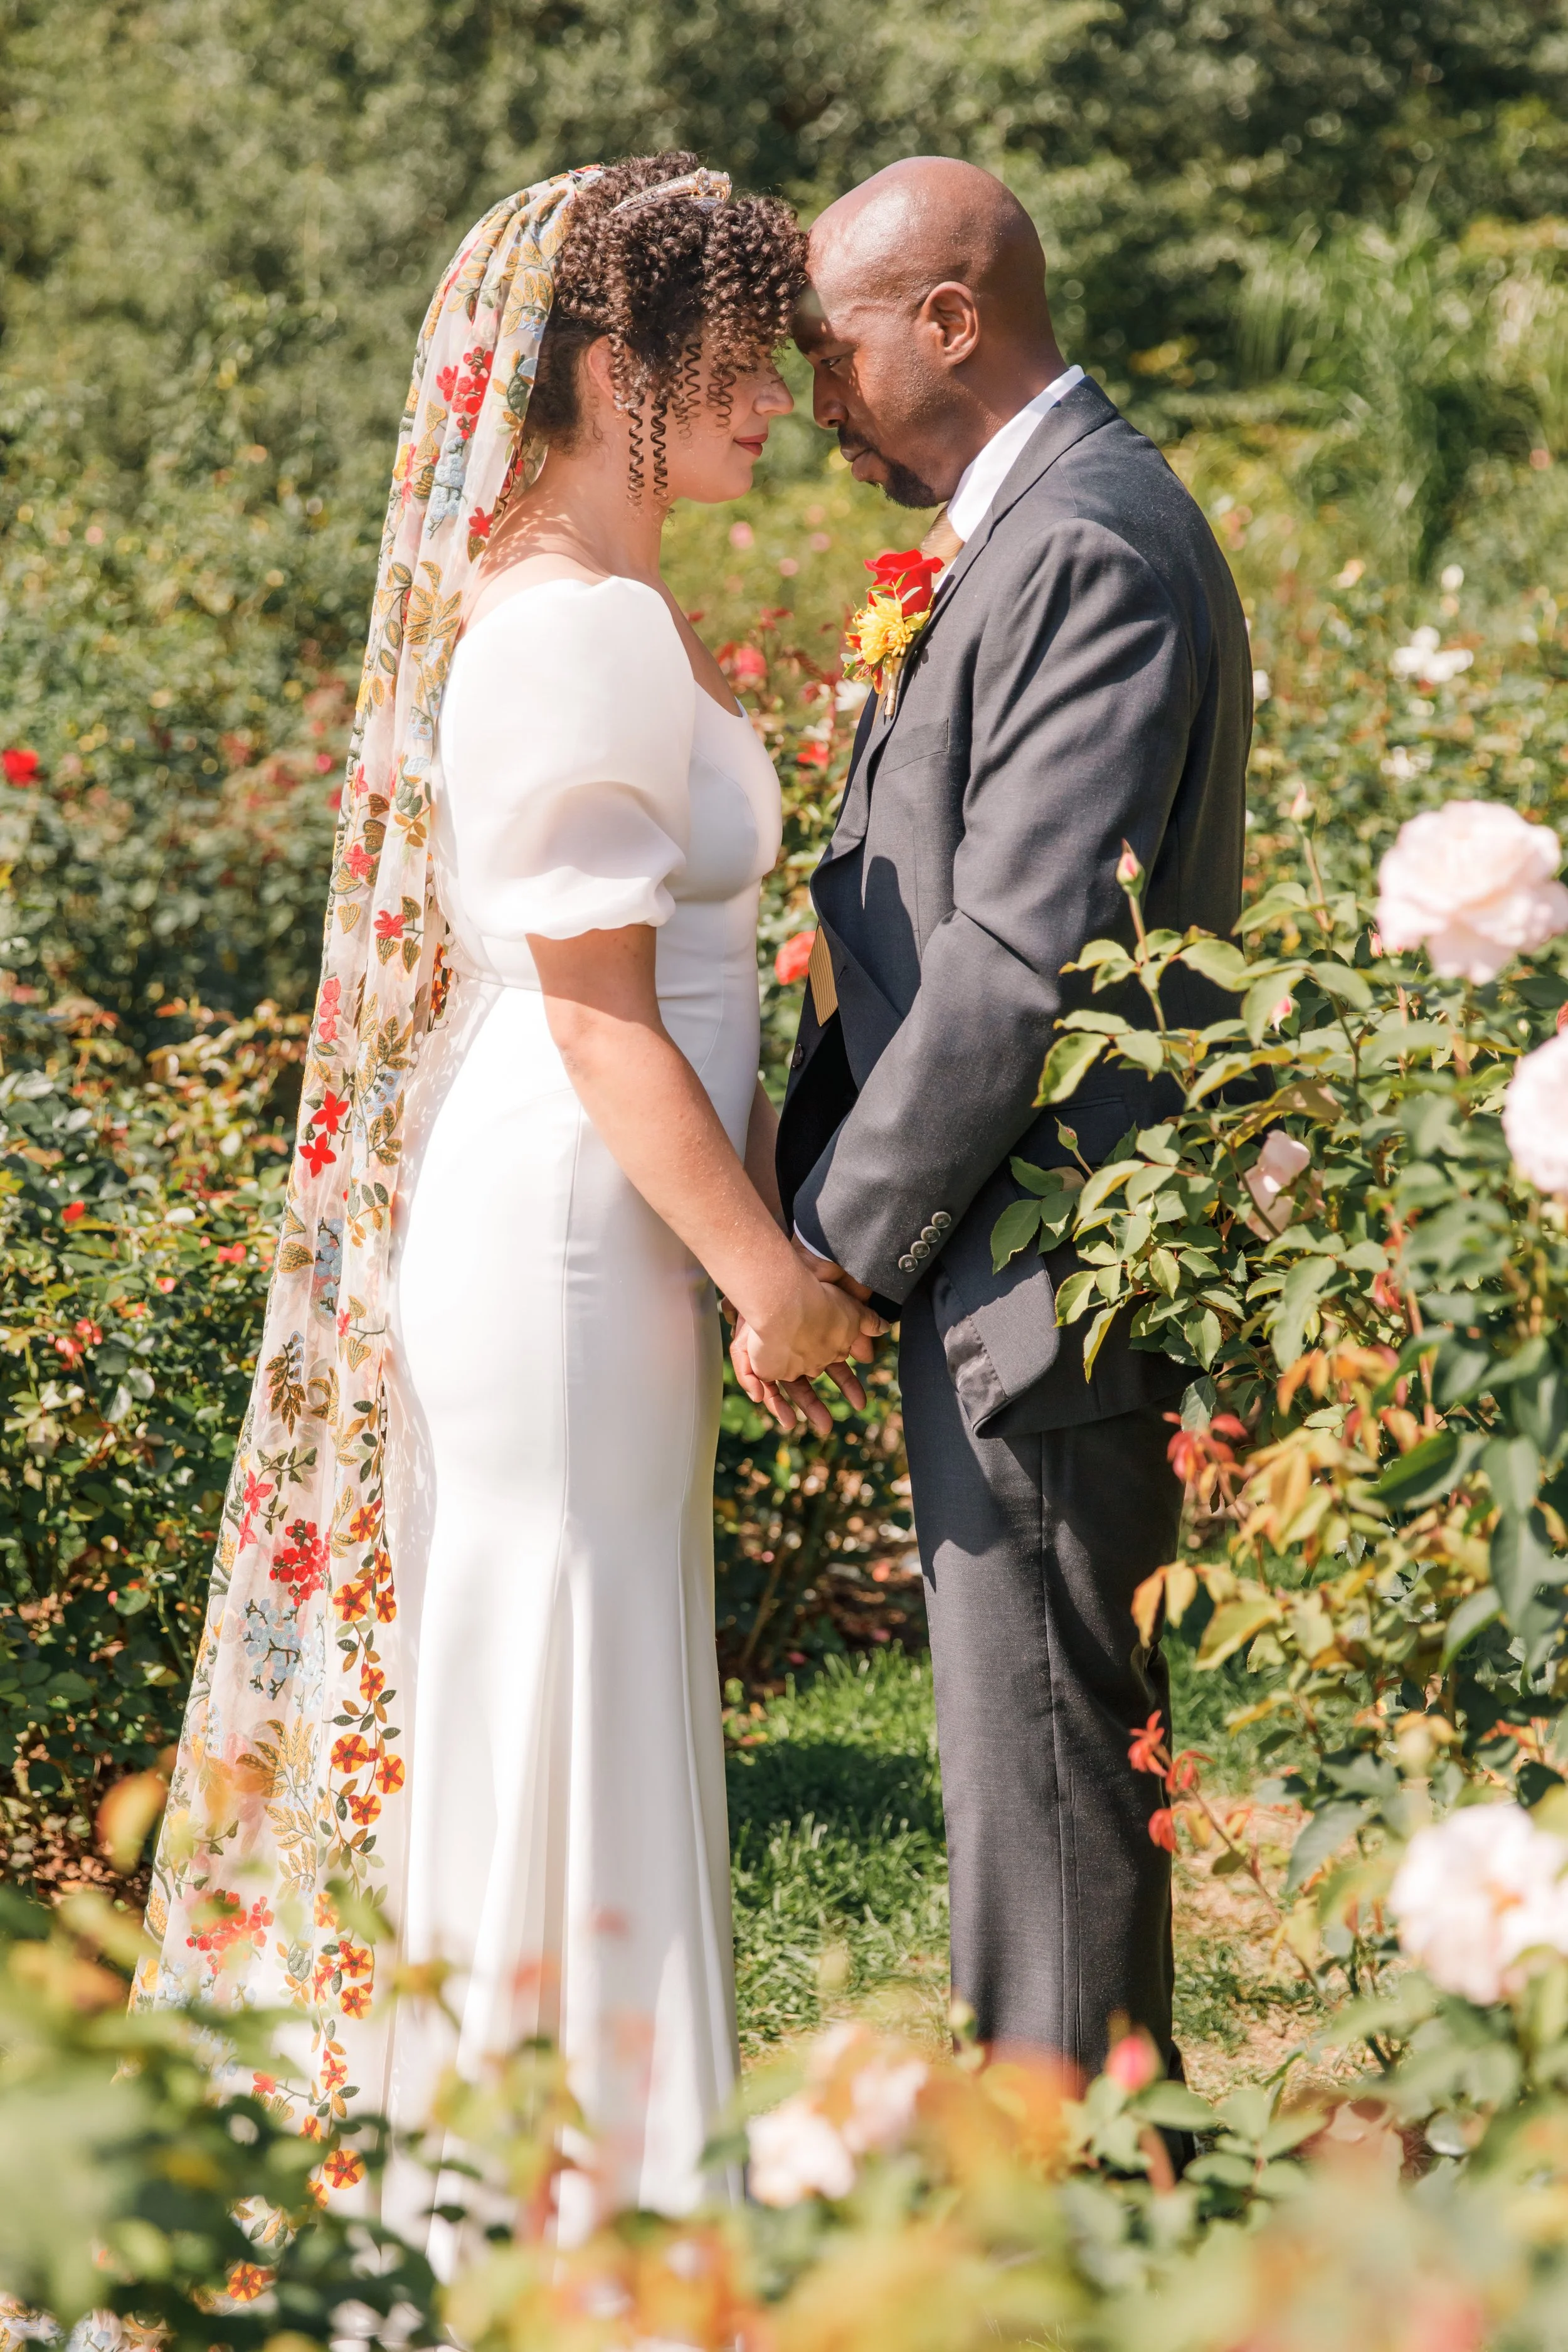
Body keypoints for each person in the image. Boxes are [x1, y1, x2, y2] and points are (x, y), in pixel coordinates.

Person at [135, 154, 881, 2257]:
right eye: (732, 344)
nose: (782, 384)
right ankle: (537, 2232)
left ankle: (558, 2209)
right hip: (575, 1220)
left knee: (576, 1638)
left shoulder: (579, 608)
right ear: (600, 360)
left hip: (582, 1217)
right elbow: (598, 1016)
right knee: (554, 1642)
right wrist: (772, 1278)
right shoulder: (572, 626)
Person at [741, 157, 1251, 2086]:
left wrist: (829, 1253)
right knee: (1027, 1769)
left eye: (831, 350)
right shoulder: (1028, 522)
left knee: (1040, 1776)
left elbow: (1016, 959)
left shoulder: (1085, 541)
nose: (811, 402)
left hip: (1031, 1266)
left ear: (945, 320)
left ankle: (1062, 2226)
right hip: (999, 1253)